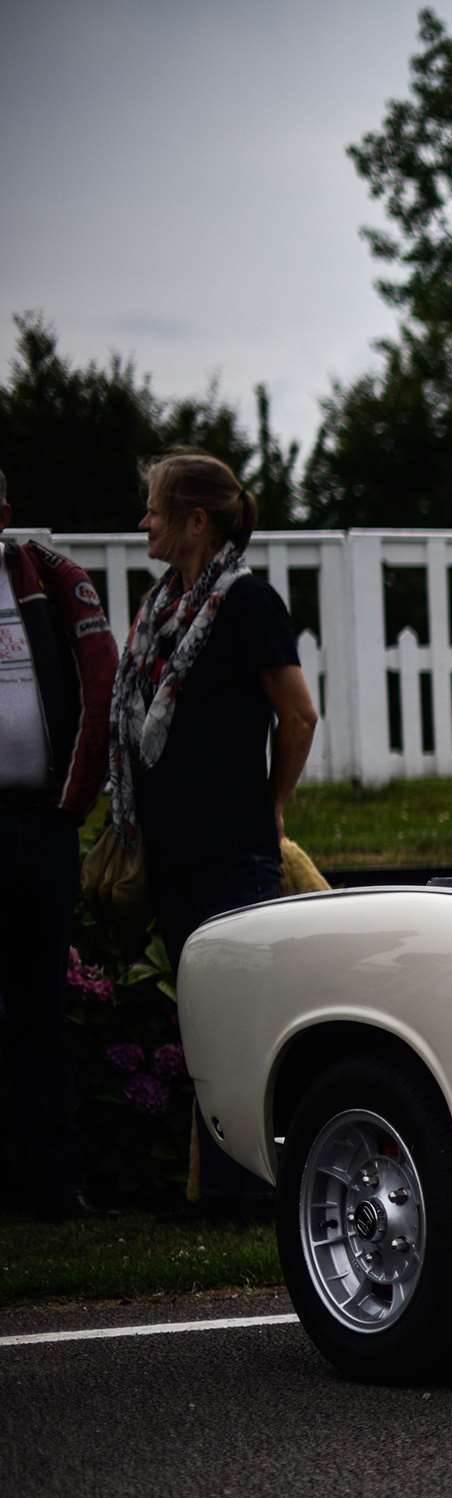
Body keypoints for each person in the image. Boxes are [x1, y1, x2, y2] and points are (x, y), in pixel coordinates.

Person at [101, 450, 318, 1203]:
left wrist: (273, 801)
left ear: (197, 520)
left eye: (156, 509)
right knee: (202, 1028)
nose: (145, 522)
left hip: (230, 848)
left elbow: (298, 713)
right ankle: (217, 1191)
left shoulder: (247, 603)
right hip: (172, 853)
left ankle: (251, 1193)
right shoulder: (164, 607)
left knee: (240, 1029)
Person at [0, 466, 118, 1216]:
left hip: (41, 826)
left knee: (41, 1012)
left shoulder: (46, 576)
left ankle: (51, 1186)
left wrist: (70, 806)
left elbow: (101, 689)